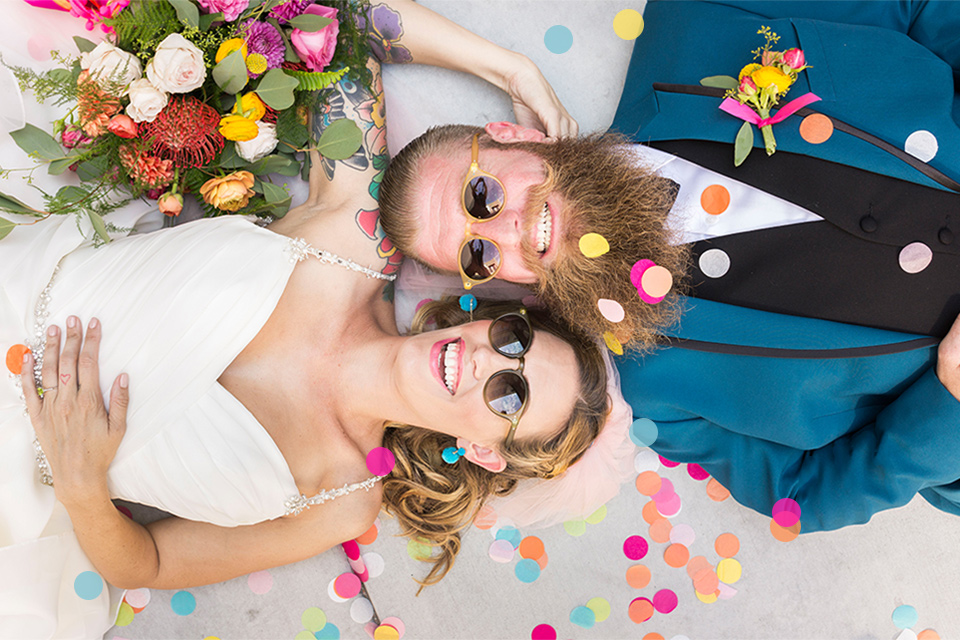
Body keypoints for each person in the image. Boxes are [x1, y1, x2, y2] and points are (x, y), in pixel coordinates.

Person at [0, 2, 610, 638]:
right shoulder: (355, 239)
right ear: (494, 315)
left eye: (509, 393)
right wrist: (513, 70)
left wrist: (82, 490)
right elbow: (342, 28)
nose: (490, 361)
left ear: (484, 451)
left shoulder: (342, 502)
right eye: (515, 340)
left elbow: (148, 561)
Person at [376, 1, 960, 530]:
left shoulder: (693, 22)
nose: (505, 231)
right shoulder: (653, 385)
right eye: (477, 255)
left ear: (513, 136)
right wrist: (950, 400)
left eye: (481, 196)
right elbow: (797, 498)